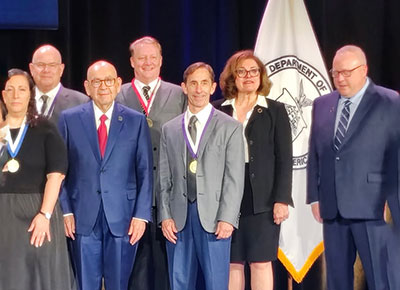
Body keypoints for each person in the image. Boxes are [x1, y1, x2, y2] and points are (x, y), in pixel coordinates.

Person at [307, 45, 400, 290]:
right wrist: (315, 197)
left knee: (381, 278)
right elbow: (316, 154)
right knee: (337, 280)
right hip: (332, 207)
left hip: (373, 207)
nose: (340, 78)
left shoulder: (389, 101)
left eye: (347, 72)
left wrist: (392, 203)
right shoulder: (321, 104)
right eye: (336, 72)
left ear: (364, 70)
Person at [58, 60, 153, 290]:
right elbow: (59, 170)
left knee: (119, 284)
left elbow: (144, 171)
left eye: (109, 80)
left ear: (118, 84)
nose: (103, 86)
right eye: (96, 81)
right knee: (85, 284)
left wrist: (141, 215)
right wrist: (66, 210)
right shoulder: (68, 119)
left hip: (123, 217)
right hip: (82, 216)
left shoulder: (136, 120)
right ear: (87, 87)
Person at [158, 62, 245, 290]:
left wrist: (228, 217)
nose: (199, 89)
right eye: (193, 83)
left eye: (204, 83)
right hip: (178, 219)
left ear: (213, 87)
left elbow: (234, 178)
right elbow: (164, 178)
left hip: (215, 218)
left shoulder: (230, 127)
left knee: (216, 283)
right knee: (179, 282)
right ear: (184, 87)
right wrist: (165, 216)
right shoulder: (170, 129)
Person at [213, 50, 293, 290]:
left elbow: (284, 159)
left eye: (253, 71)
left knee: (260, 261)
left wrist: (281, 199)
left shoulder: (275, 110)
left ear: (261, 76)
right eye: (242, 71)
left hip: (264, 198)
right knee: (232, 262)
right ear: (232, 77)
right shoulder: (217, 109)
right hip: (227, 195)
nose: (248, 76)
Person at [116, 36, 186, 290]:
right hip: (130, 196)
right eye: (141, 57)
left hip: (168, 194)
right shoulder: (117, 94)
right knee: (135, 268)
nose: (147, 62)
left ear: (161, 60)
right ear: (132, 61)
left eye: (152, 57)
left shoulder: (180, 94)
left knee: (169, 267)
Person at [0, 69, 74, 290]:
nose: (15, 95)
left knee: (37, 277)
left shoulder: (44, 128)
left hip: (37, 212)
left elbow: (56, 174)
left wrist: (45, 214)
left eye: (21, 90)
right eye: (10, 90)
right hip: (4, 216)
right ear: (3, 95)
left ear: (30, 95)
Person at [29, 44, 88, 124]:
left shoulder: (80, 102)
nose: (46, 70)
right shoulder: (20, 99)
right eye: (41, 65)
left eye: (52, 65)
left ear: (61, 69)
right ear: (31, 69)